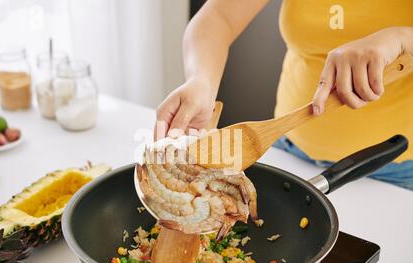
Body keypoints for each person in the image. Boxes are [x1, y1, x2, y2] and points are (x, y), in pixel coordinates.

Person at [154, 0, 413, 190]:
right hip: (287, 148)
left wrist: (401, 37)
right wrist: (202, 80)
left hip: (395, 168)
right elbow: (219, 16)